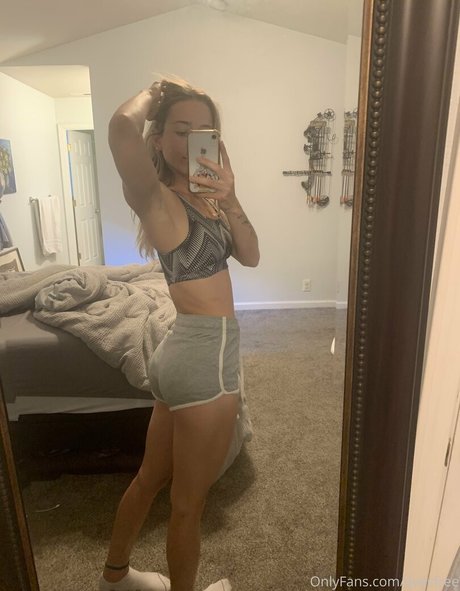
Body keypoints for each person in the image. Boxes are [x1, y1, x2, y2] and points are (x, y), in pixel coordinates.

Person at [99, 77, 260, 591]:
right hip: (205, 363)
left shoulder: (208, 199)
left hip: (178, 356)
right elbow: (120, 129)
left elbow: (252, 255)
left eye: (204, 132)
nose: (192, 142)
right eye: (180, 130)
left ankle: (115, 576)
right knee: (188, 506)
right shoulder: (159, 200)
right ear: (159, 139)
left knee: (150, 478)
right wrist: (154, 91)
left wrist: (231, 197)